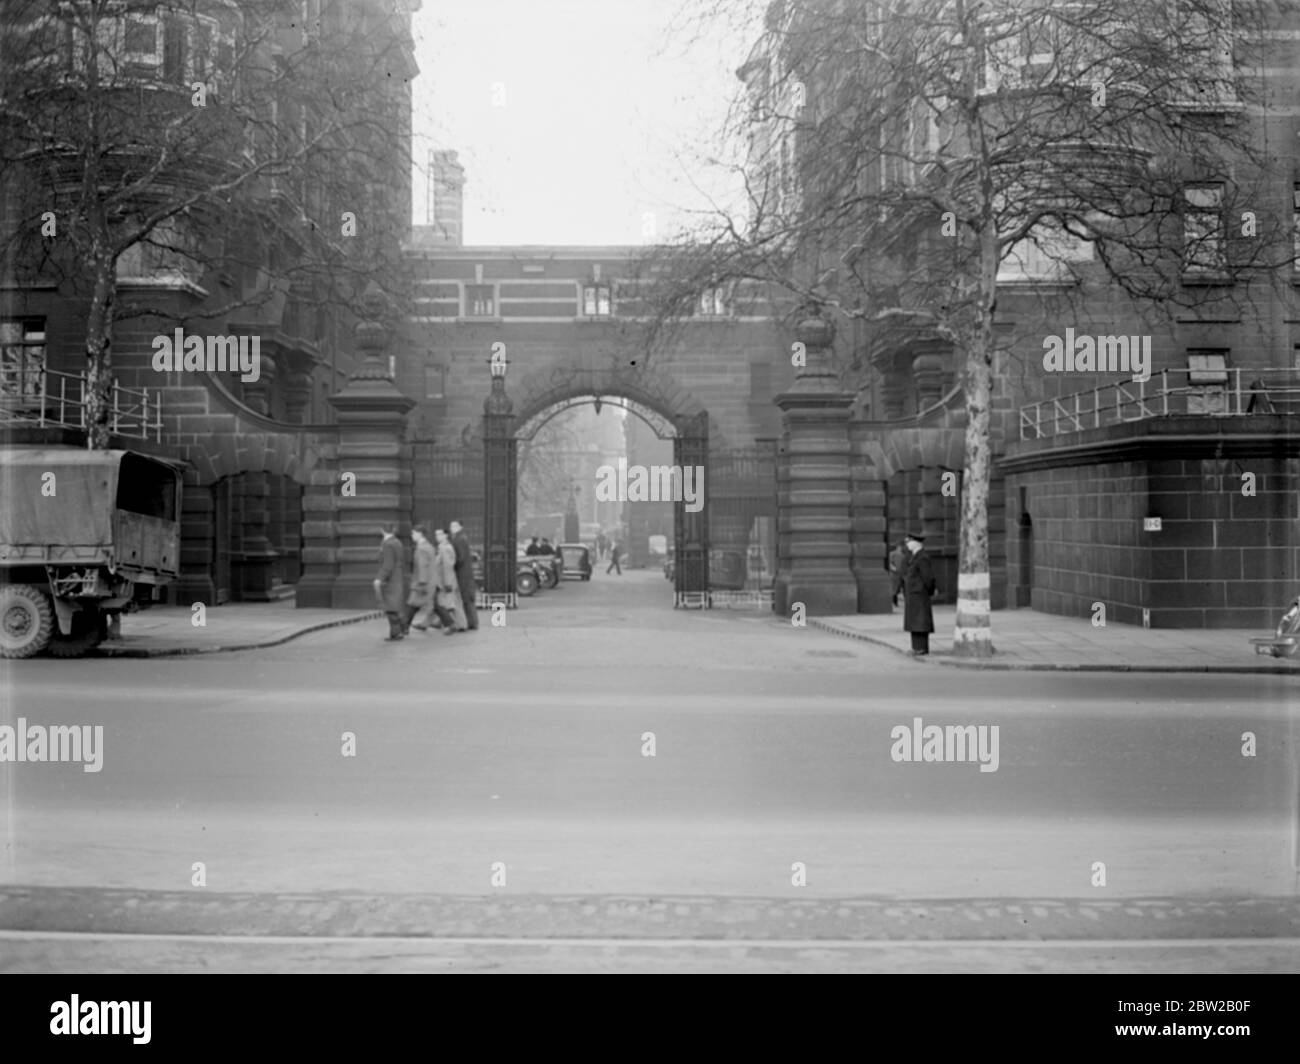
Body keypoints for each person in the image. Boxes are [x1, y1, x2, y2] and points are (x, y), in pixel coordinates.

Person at [901, 531, 937, 656]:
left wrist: (928, 591)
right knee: (914, 623)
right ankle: (916, 647)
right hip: (914, 595)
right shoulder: (914, 556)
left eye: (909, 541)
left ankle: (921, 648)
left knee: (920, 622)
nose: (907, 544)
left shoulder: (922, 557)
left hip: (920, 595)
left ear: (916, 543)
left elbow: (929, 577)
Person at [373, 523, 409, 641]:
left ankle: (396, 633)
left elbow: (388, 564)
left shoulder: (387, 544)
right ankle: (401, 629)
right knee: (395, 605)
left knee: (390, 607)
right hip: (397, 577)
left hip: (390, 579)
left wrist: (380, 578)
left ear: (382, 530)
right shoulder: (397, 542)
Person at [433, 528, 467, 634]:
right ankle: (457, 624)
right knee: (446, 603)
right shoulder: (442, 547)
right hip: (444, 580)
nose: (437, 537)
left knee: (449, 603)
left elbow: (447, 566)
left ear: (445, 535)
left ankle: (458, 625)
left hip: (446, 581)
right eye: (436, 534)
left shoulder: (445, 548)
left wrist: (447, 583)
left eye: (439, 534)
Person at [404, 526, 437, 632]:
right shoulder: (429, 547)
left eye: (414, 533)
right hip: (430, 581)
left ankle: (404, 627)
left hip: (422, 582)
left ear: (420, 534)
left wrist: (422, 582)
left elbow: (422, 566)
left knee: (412, 605)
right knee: (416, 606)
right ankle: (405, 627)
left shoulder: (421, 549)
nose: (412, 535)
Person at [449, 519, 479, 631]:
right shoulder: (461, 538)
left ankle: (470, 622)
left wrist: (453, 565)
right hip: (466, 572)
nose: (451, 527)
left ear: (460, 526)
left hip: (462, 573)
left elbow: (460, 557)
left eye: (454, 525)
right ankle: (472, 622)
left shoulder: (459, 539)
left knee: (466, 598)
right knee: (468, 599)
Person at [888, 538, 906, 607]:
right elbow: (889, 563)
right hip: (894, 574)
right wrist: (893, 568)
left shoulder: (904, 555)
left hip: (901, 574)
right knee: (894, 588)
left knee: (900, 588)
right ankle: (894, 602)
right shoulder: (892, 554)